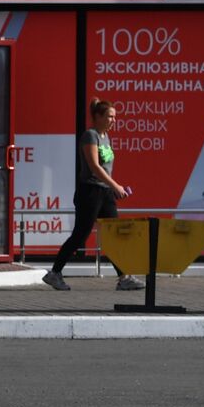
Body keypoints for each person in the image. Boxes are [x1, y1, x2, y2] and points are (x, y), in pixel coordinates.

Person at [43, 99, 144, 291]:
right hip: (90, 192)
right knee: (81, 235)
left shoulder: (105, 137)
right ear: (97, 117)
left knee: (114, 235)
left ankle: (124, 278)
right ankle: (54, 273)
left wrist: (113, 188)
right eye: (109, 116)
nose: (113, 120)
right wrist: (116, 185)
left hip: (105, 193)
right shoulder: (90, 136)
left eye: (115, 117)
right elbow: (95, 167)